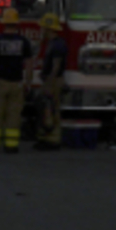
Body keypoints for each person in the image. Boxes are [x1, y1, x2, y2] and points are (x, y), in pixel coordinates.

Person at [0, 8, 35, 153]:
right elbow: (29, 64)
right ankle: (11, 145)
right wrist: (28, 83)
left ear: (4, 23)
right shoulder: (23, 41)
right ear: (17, 24)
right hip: (17, 83)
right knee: (14, 116)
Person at [35, 13, 68, 150]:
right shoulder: (51, 43)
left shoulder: (58, 45)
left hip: (53, 81)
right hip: (50, 80)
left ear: (48, 28)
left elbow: (56, 67)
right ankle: (45, 138)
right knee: (45, 110)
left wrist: (49, 84)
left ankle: (54, 140)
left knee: (52, 110)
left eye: (43, 27)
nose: (40, 29)